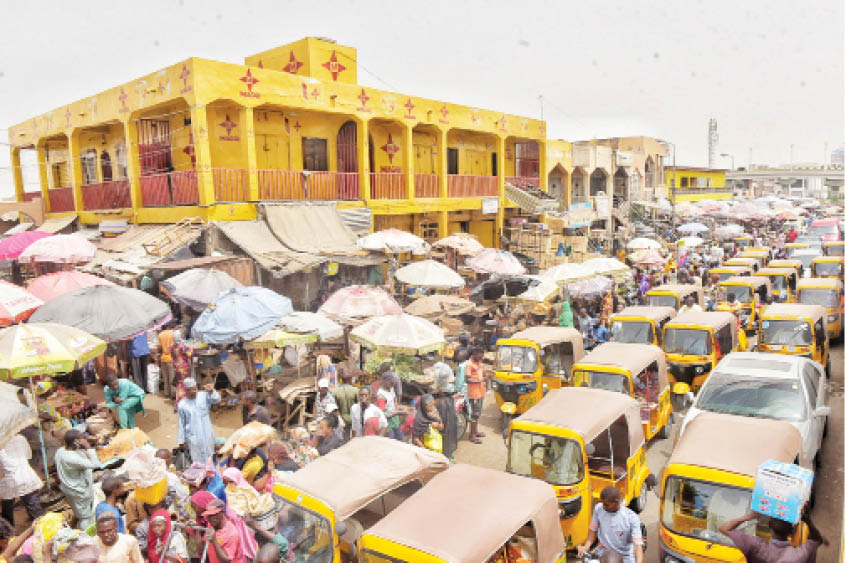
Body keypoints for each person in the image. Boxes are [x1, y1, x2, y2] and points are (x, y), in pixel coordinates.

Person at [717, 508, 824, 562]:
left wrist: (749, 517)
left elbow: (723, 528)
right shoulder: (801, 553)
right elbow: (817, 540)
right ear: (792, 532)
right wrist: (807, 521)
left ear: (769, 528)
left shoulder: (756, 546)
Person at [577, 486, 643, 563]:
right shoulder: (598, 509)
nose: (603, 507)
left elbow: (638, 547)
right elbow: (593, 531)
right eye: (602, 503)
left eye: (606, 505)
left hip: (625, 556)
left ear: (616, 502)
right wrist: (585, 547)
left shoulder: (631, 518)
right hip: (603, 552)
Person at [54, 429, 104, 530]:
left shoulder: (60, 451)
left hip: (68, 487)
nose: (84, 440)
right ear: (76, 442)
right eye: (82, 439)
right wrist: (88, 447)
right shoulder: (72, 458)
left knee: (79, 512)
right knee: (86, 517)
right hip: (79, 491)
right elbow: (96, 464)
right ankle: (87, 535)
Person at [0, 434, 43, 528]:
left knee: (7, 509)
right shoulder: (20, 437)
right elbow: (28, 456)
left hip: (9, 479)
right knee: (34, 508)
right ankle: (42, 531)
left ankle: (8, 534)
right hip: (26, 474)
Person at [177, 378, 221, 464]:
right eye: (191, 390)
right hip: (193, 437)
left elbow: (217, 400)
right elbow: (181, 423)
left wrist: (212, 391)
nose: (194, 391)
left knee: (210, 457)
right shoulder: (182, 404)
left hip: (207, 434)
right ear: (186, 390)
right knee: (197, 461)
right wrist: (181, 441)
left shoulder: (204, 396)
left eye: (195, 388)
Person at [200, 498, 246, 563]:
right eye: (209, 515)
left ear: (222, 513)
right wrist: (195, 529)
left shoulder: (232, 533)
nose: (211, 518)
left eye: (214, 514)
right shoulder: (212, 523)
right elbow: (201, 548)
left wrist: (214, 540)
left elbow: (226, 561)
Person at [465, 347, 486, 444]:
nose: (482, 357)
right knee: (474, 414)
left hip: (480, 392)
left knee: (477, 414)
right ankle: (472, 436)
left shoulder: (478, 362)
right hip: (474, 394)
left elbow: (481, 374)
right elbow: (467, 379)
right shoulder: (469, 364)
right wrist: (480, 380)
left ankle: (476, 432)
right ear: (475, 354)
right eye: (480, 355)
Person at [332, 370, 359, 438]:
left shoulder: (335, 391)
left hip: (342, 420)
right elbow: (360, 405)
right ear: (350, 379)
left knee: (345, 439)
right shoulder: (355, 390)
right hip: (354, 419)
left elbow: (333, 408)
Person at [376, 374, 401, 440]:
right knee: (391, 441)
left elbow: (394, 399)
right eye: (391, 382)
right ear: (384, 381)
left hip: (395, 421)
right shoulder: (381, 396)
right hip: (388, 425)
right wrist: (396, 413)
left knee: (400, 438)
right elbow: (382, 414)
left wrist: (396, 407)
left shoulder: (390, 388)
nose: (393, 383)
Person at [156, 327, 176, 398]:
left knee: (165, 377)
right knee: (172, 377)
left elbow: (159, 347)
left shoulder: (160, 334)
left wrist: (158, 357)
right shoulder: (174, 333)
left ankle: (166, 393)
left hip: (163, 358)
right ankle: (173, 394)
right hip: (171, 358)